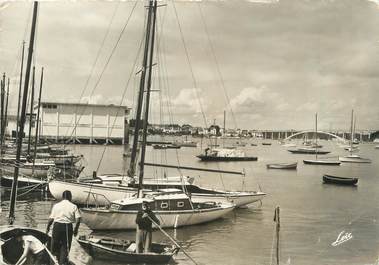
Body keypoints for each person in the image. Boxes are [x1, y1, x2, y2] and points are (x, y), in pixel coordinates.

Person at [46, 190, 81, 265]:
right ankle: (62, 263)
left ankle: (53, 263)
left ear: (62, 197)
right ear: (70, 197)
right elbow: (78, 220)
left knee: (54, 246)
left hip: (57, 226)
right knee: (65, 248)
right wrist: (76, 230)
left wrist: (48, 228)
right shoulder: (73, 206)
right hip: (67, 227)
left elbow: (51, 219)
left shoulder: (56, 205)